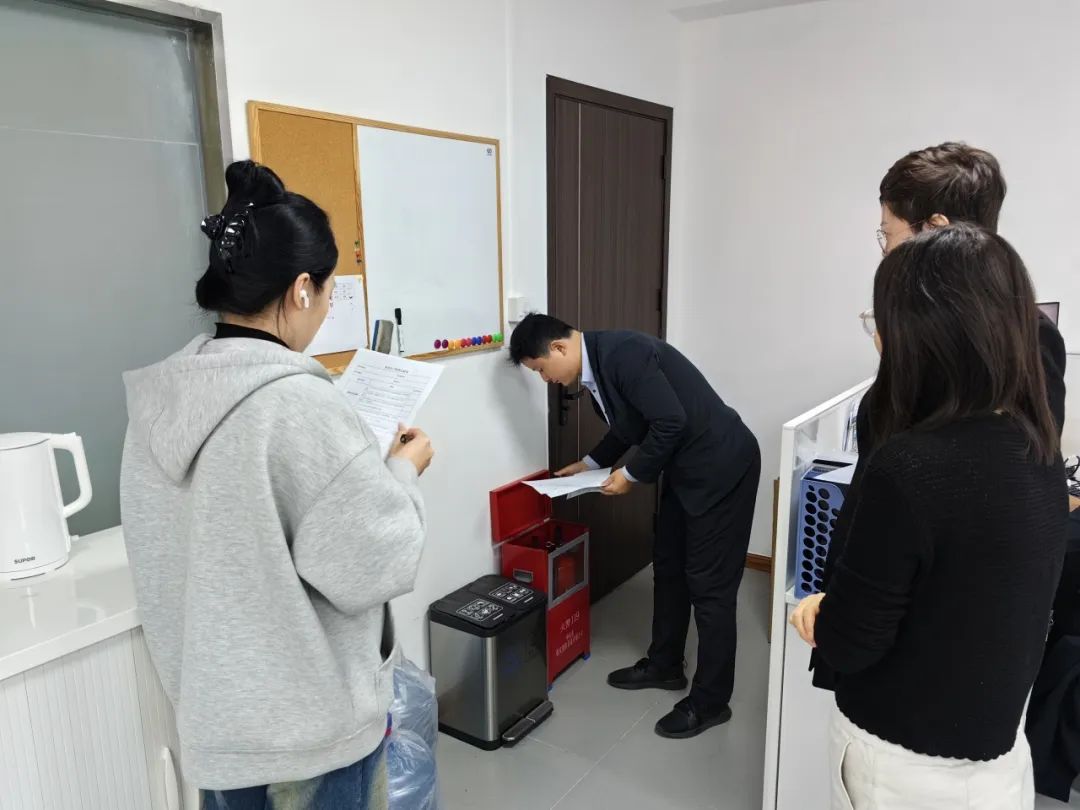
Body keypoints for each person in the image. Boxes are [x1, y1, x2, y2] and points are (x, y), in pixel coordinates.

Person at [120, 161, 433, 808]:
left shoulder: (163, 401)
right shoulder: (298, 405)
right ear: (301, 290)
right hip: (309, 739)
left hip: (218, 732)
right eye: (328, 292)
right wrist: (403, 469)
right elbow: (374, 563)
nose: (326, 307)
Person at [791, 224, 1066, 809]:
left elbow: (851, 644)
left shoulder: (910, 468)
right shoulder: (1037, 441)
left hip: (902, 766)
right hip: (999, 754)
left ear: (923, 335)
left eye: (882, 322)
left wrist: (819, 613)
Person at [811, 142, 1067, 691]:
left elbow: (994, 479)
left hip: (937, 614)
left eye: (888, 234)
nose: (884, 251)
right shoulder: (927, 328)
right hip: (883, 580)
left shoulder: (1028, 339)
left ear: (935, 229)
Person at [509, 315, 760, 738]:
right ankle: (664, 664)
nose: (545, 380)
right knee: (669, 567)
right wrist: (591, 463)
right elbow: (631, 425)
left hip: (722, 466)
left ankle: (711, 702)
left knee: (710, 588)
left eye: (540, 369)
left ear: (558, 349)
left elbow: (670, 421)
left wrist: (632, 475)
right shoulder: (598, 366)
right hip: (685, 469)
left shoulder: (623, 353)